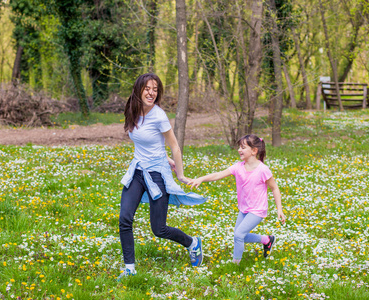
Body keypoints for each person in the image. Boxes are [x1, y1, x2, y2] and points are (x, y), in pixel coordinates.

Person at [118, 73, 206, 279]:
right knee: (124, 219)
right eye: (147, 88)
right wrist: (163, 156)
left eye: (155, 89)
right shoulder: (132, 109)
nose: (151, 93)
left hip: (157, 175)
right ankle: (130, 269)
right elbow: (147, 143)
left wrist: (181, 175)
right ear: (139, 89)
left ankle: (193, 243)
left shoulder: (158, 115)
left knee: (159, 229)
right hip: (138, 171)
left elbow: (175, 146)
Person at [189, 134, 286, 264]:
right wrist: (201, 178)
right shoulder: (238, 167)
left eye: (243, 147)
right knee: (241, 236)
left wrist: (279, 209)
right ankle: (266, 240)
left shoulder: (263, 170)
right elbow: (219, 174)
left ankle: (235, 265)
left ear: (254, 151)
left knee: (239, 235)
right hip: (244, 208)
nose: (239, 150)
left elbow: (275, 188)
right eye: (239, 147)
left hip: (257, 210)